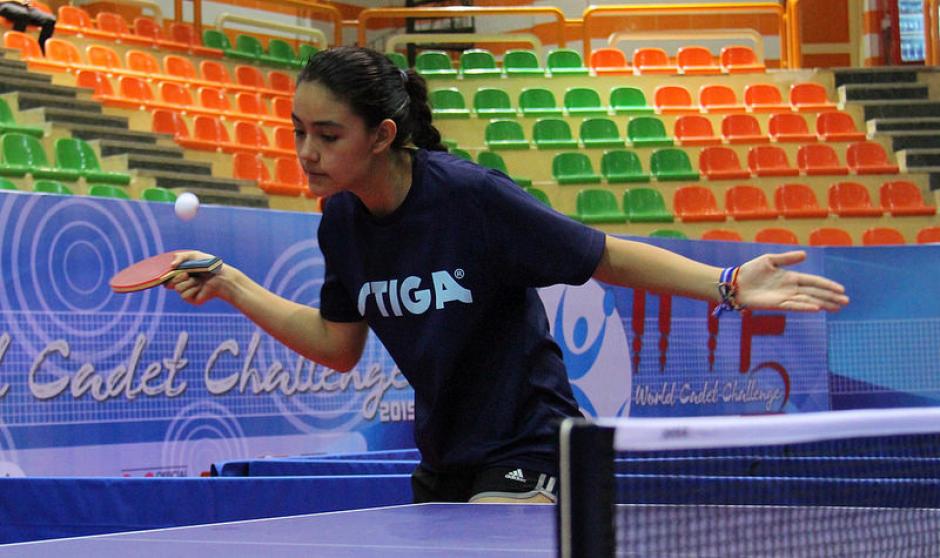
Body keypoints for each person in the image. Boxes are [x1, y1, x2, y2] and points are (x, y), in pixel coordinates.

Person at [167, 46, 849, 504]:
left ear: (380, 136)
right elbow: (338, 348)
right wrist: (232, 283)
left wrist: (727, 285)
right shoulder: (340, 222)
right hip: (443, 457)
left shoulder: (470, 199)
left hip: (530, 444)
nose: (306, 153)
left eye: (327, 134)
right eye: (297, 132)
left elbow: (600, 253)